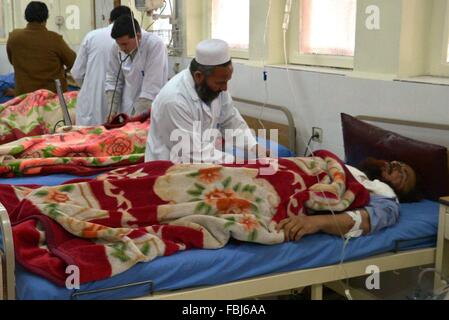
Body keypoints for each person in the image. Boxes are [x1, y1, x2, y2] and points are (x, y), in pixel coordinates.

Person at [145, 39, 268, 164]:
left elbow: (231, 121)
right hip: (168, 167)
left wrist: (256, 148)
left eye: (227, 81)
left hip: (202, 161)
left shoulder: (216, 88)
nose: (225, 88)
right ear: (199, 76)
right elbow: (193, 152)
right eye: (220, 82)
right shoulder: (174, 100)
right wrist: (239, 163)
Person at [277, 158, 420, 242]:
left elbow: (365, 220)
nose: (396, 165)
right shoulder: (356, 173)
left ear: (402, 190)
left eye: (403, 173)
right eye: (397, 163)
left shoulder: (387, 199)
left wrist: (316, 222)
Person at [71, 6, 132, 126]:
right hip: (121, 106)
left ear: (109, 20)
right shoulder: (136, 41)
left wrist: (91, 87)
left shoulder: (92, 36)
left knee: (87, 142)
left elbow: (77, 72)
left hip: (91, 104)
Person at [104, 15, 168, 121]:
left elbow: (151, 90)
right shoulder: (117, 47)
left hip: (150, 108)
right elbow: (112, 79)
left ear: (138, 36)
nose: (121, 48)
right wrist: (112, 110)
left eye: (125, 44)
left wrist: (135, 121)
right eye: (119, 44)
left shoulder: (155, 45)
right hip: (127, 106)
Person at [6, 1, 76, 96]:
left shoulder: (14, 37)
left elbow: (12, 61)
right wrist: (63, 72)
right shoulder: (54, 39)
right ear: (46, 17)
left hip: (23, 95)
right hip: (51, 97)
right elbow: (73, 62)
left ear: (26, 16)